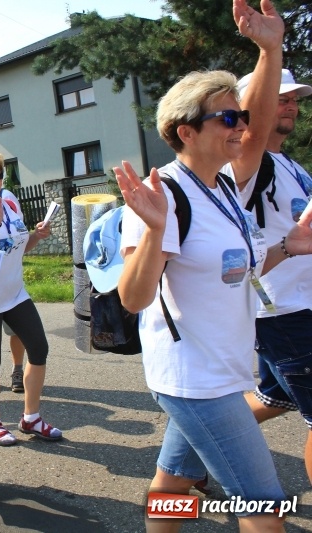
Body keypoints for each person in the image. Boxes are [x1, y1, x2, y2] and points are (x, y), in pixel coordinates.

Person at [115, 2, 302, 530]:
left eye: (240, 116)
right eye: (227, 118)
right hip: (196, 380)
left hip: (221, 369)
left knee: (173, 482)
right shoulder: (164, 197)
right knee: (264, 507)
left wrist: (291, 247)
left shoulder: (221, 185)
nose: (242, 127)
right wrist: (153, 230)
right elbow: (132, 297)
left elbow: (236, 265)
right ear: (186, 130)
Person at [235, 69, 312, 483]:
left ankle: (197, 445)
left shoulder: (289, 164)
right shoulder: (247, 161)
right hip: (282, 310)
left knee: (276, 397)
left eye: (295, 98)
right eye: (280, 97)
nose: (291, 104)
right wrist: (269, 48)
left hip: (303, 303)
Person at [0, 150, 61, 446]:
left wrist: (36, 236)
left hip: (14, 293)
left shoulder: (11, 203)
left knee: (39, 348)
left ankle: (31, 417)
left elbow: (20, 247)